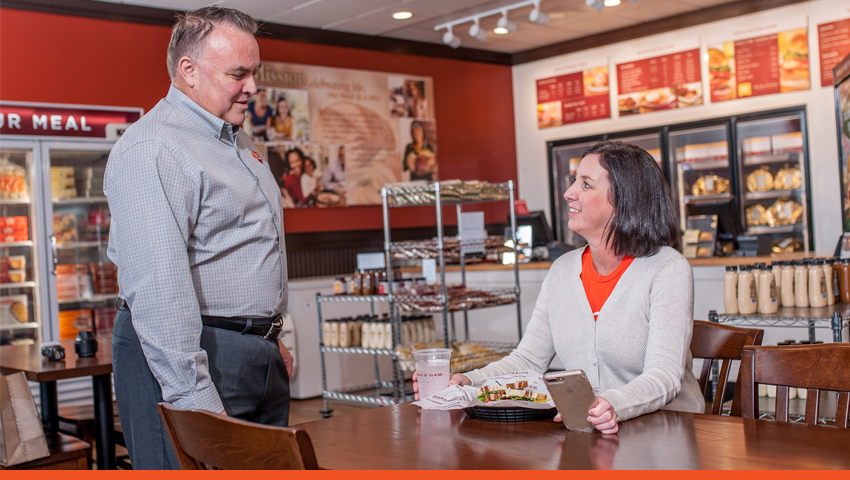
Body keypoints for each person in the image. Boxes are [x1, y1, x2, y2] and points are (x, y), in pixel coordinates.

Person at [104, 7, 293, 469]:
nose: (252, 87)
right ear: (188, 71)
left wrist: (272, 339)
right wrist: (196, 402)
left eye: (254, 72)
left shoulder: (237, 139)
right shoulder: (155, 148)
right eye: (238, 74)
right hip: (191, 357)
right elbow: (158, 289)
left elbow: (245, 249)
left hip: (253, 353)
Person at [413, 140, 704, 434]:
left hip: (666, 431)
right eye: (574, 181)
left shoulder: (668, 268)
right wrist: (469, 380)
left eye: (586, 184)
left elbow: (664, 374)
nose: (569, 193)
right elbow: (528, 360)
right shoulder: (563, 270)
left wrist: (611, 403)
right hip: (593, 431)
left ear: (626, 199)